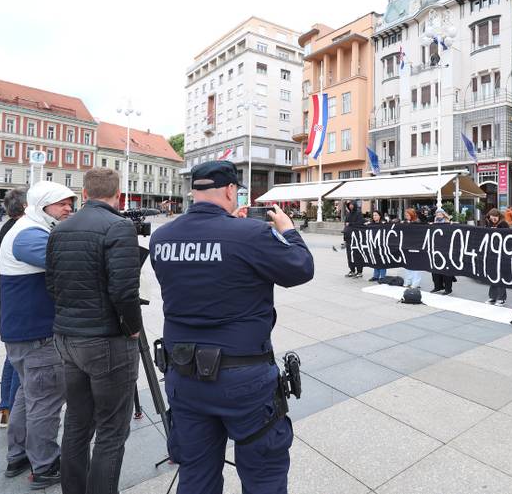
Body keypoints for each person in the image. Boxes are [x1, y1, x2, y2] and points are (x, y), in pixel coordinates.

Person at [149, 160, 314, 494]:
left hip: (184, 375)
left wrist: (232, 232)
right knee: (264, 475)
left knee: (196, 474)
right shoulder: (250, 234)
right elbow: (301, 267)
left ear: (194, 191)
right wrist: (287, 230)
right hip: (243, 379)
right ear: (229, 190)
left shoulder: (161, 238)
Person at [47, 168, 143, 494]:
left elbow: (51, 283)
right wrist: (133, 328)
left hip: (67, 337)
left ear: (84, 194)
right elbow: (124, 291)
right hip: (106, 341)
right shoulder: (119, 226)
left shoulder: (60, 228)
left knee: (77, 422)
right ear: (118, 195)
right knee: (112, 430)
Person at [0, 181, 75, 488]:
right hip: (37, 334)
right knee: (46, 400)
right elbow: (68, 263)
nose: (68, 208)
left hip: (24, 332)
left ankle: (17, 455)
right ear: (42, 204)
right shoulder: (30, 234)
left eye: (70, 203)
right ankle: (45, 465)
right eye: (61, 203)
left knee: (26, 394)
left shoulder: (31, 228)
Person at [0, 189, 28, 428]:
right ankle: (17, 411)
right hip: (24, 299)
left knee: (12, 358)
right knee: (21, 361)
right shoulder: (22, 230)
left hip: (12, 301)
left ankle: (6, 408)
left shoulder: (6, 227)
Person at [485, 208, 510, 306]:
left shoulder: (504, 224)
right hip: (492, 252)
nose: (493, 220)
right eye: (491, 218)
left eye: (495, 218)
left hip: (501, 252)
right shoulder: (489, 224)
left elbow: (508, 237)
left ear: (498, 216)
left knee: (500, 275)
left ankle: (501, 298)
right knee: (493, 275)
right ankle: (493, 296)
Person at [430, 209, 455, 295]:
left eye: (440, 214)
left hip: (446, 249)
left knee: (446, 269)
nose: (438, 215)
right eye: (437, 214)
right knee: (435, 269)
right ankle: (438, 286)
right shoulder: (435, 223)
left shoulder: (448, 223)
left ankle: (448, 289)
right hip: (436, 249)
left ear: (444, 215)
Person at [401, 208, 423, 288]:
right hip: (407, 246)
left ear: (412, 214)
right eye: (406, 215)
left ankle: (415, 283)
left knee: (416, 266)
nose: (406, 216)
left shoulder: (418, 222)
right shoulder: (406, 222)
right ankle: (408, 281)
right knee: (408, 265)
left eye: (408, 215)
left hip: (416, 246)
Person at [343, 201, 365, 278]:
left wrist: (350, 224)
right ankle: (352, 270)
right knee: (349, 255)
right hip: (349, 237)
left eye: (352, 205)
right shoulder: (348, 214)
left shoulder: (358, 213)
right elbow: (346, 226)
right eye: (349, 205)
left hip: (357, 237)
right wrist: (345, 238)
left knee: (357, 254)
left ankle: (359, 271)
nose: (351, 206)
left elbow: (360, 223)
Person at [366, 210, 388, 282]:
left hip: (382, 245)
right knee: (375, 260)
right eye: (373, 215)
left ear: (380, 216)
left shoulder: (384, 223)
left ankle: (382, 277)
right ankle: (376, 276)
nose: (374, 216)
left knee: (382, 260)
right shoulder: (371, 224)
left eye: (376, 215)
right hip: (374, 245)